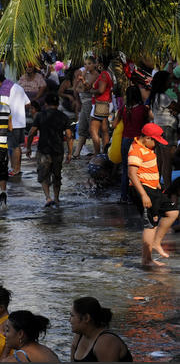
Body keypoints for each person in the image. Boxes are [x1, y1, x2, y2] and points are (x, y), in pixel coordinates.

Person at [126, 122, 179, 267]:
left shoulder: (146, 147)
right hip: (143, 189)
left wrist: (156, 183)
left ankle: (156, 242)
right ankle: (146, 260)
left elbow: (147, 168)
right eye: (155, 141)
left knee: (173, 212)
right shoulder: (136, 150)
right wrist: (143, 195)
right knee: (150, 224)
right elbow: (132, 174)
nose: (156, 144)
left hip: (152, 188)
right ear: (147, 138)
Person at [26, 93, 71, 206]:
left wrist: (28, 147)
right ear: (58, 104)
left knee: (43, 175)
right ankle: (56, 198)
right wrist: (70, 153)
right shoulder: (64, 116)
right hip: (58, 150)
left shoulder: (40, 116)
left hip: (43, 150)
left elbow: (31, 132)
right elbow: (69, 135)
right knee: (57, 175)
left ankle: (48, 198)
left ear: (46, 104)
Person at [114, 85, 152, 202]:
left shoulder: (123, 109)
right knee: (139, 170)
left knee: (126, 170)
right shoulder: (143, 109)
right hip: (138, 142)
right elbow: (149, 123)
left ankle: (124, 197)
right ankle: (138, 196)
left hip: (125, 141)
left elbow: (114, 125)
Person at [69, 296, 133, 362]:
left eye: (72, 315)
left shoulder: (106, 342)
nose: (69, 320)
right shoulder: (78, 337)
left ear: (86, 318)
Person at [0, 73, 29, 177]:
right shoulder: (18, 87)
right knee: (17, 146)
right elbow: (28, 103)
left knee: (14, 147)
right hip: (21, 122)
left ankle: (15, 170)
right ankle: (17, 168)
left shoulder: (4, 89)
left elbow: (4, 108)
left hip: (12, 123)